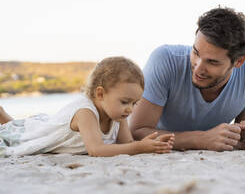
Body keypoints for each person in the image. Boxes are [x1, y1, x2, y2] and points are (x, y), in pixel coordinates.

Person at [129, 7, 245, 151]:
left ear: (239, 61)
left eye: (212, 62)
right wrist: (200, 139)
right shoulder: (165, 60)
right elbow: (136, 132)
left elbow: (244, 138)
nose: (198, 68)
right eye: (195, 52)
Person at [0, 57, 174, 157]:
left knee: (16, 128)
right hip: (43, 131)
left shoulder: (118, 115)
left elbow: (127, 143)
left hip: (49, 130)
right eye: (125, 102)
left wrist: (148, 144)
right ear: (100, 94)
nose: (130, 109)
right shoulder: (86, 113)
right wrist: (138, 148)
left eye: (134, 103)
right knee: (18, 134)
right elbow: (96, 150)